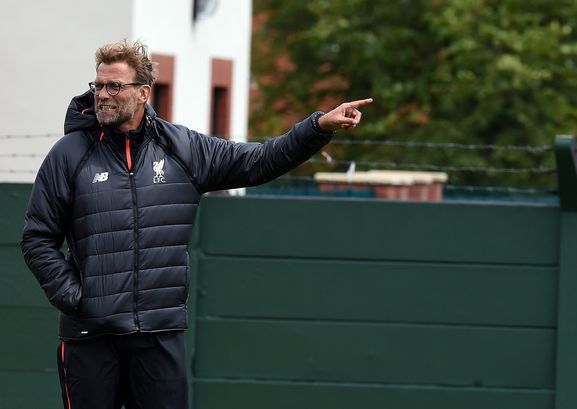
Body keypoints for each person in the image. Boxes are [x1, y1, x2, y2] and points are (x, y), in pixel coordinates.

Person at [20, 39, 372, 409]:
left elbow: (259, 161)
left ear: (143, 93)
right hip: (90, 337)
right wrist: (78, 299)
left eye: (114, 86)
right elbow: (37, 238)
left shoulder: (182, 149)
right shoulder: (69, 154)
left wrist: (316, 127)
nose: (102, 95)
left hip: (159, 335)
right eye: (98, 86)